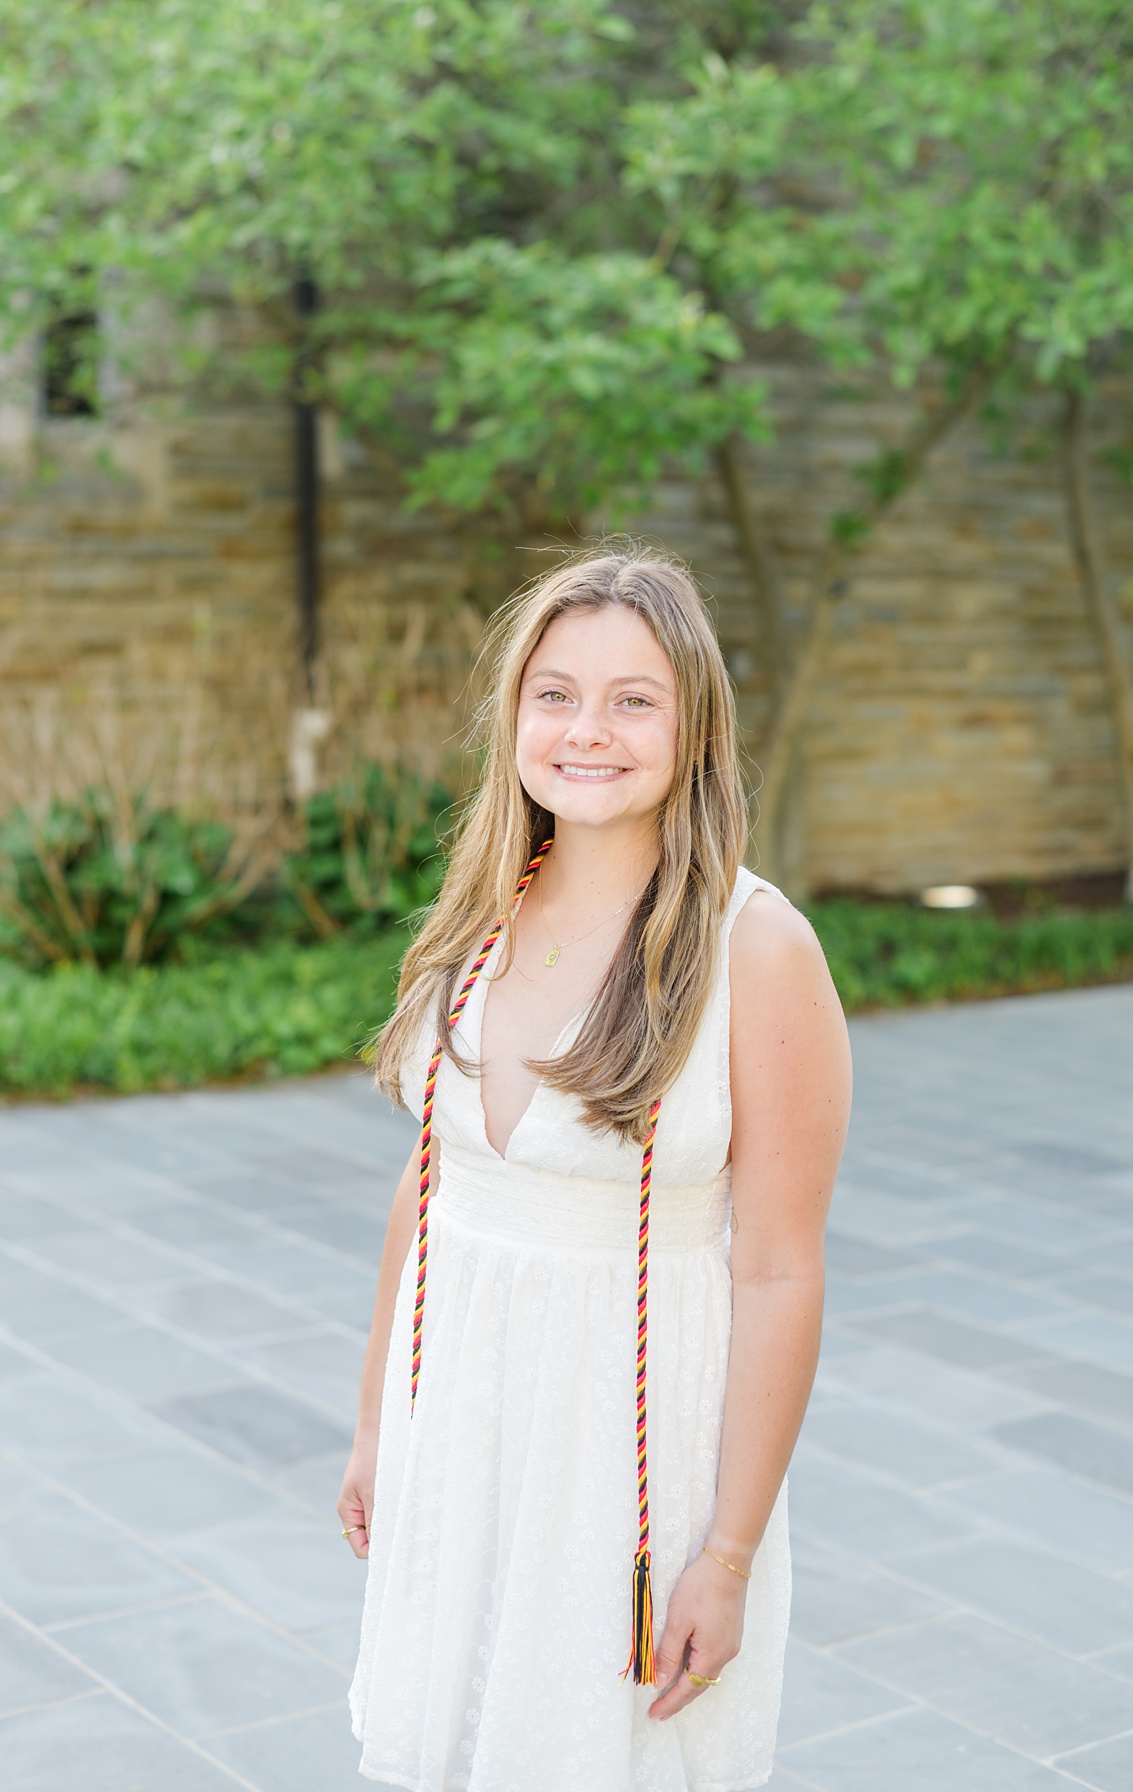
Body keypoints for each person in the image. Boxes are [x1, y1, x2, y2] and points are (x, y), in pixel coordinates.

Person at [337, 548, 852, 1791]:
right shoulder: (479, 911)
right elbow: (429, 1187)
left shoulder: (756, 945)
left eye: (635, 699)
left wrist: (722, 1556)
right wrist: (374, 1431)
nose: (586, 730)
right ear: (514, 712)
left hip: (623, 1453)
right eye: (555, 693)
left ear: (695, 726)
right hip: (457, 1422)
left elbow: (780, 1268)